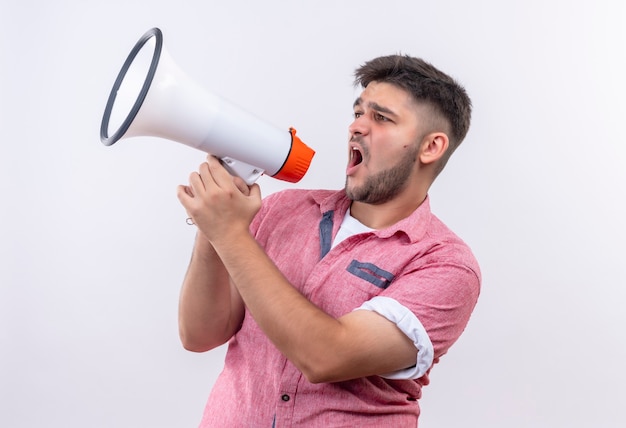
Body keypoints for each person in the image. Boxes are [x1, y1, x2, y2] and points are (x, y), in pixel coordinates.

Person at [176, 54, 481, 427]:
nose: (356, 127)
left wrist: (230, 232)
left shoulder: (444, 265)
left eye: (381, 118)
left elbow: (326, 356)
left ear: (430, 147)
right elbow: (199, 334)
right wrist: (213, 227)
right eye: (358, 112)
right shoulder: (282, 210)